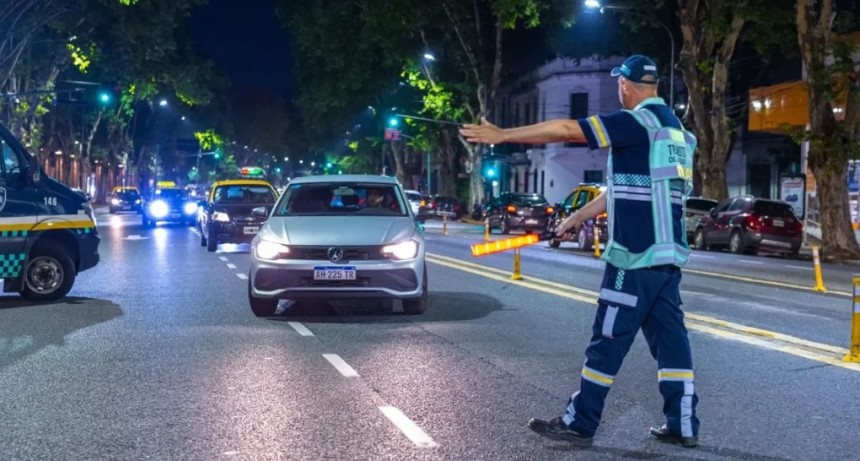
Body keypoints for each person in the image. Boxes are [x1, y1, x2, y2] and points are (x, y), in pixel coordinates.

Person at [460, 54, 700, 449]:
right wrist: (578, 217)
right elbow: (627, 188)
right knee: (673, 344)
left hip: (633, 256)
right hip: (667, 258)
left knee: (607, 340)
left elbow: (568, 128)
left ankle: (580, 421)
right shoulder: (676, 133)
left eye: (619, 84)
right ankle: (684, 423)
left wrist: (503, 135)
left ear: (626, 84)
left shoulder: (634, 122)